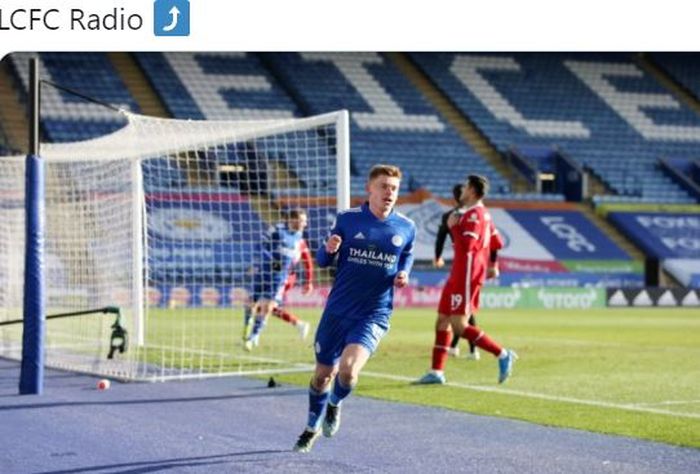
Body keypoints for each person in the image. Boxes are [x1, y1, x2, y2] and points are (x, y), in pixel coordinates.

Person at [293, 164, 416, 453]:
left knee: (347, 372)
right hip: (337, 311)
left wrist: (404, 273)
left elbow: (407, 254)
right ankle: (311, 427)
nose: (389, 193)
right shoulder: (347, 220)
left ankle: (335, 404)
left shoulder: (406, 227)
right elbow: (323, 261)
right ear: (370, 189)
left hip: (374, 313)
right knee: (323, 375)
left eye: (394, 188)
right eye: (384, 186)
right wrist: (330, 247)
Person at [416, 175, 516, 385]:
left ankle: (503, 354)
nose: (461, 191)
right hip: (458, 273)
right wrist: (492, 264)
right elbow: (496, 242)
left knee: (459, 326)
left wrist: (454, 227)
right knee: (442, 320)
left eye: (465, 187)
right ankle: (437, 372)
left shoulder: (474, 215)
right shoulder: (482, 214)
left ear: (471, 191)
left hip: (467, 275)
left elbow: (469, 245)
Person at [243, 208, 312, 350]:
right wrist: (269, 260)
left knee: (268, 306)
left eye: (305, 221)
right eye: (302, 221)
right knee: (253, 303)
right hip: (264, 272)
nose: (305, 224)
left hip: (281, 278)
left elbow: (308, 261)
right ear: (292, 219)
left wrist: (308, 281)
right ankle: (248, 325)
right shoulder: (277, 231)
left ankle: (253, 336)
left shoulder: (299, 238)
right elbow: (260, 246)